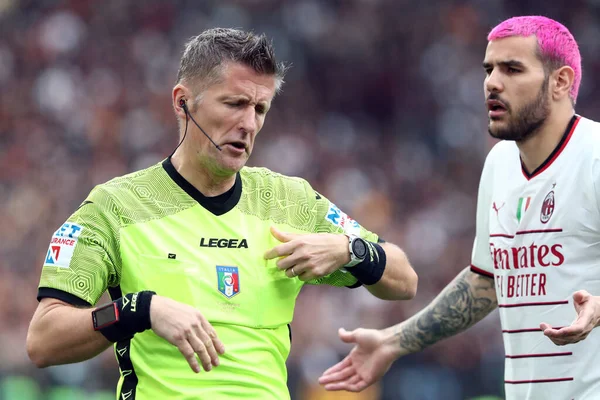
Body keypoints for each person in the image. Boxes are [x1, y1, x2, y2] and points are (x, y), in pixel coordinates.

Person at [25, 28, 418, 400]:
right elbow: (43, 340)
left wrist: (350, 250)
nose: (249, 124)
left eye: (260, 108)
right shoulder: (116, 207)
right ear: (183, 102)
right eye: (234, 103)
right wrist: (139, 310)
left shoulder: (289, 201)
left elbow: (404, 279)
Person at [319, 15, 600, 400]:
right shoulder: (500, 164)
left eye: (512, 69)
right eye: (489, 69)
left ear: (561, 82)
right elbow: (486, 280)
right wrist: (393, 341)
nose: (492, 83)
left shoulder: (595, 156)